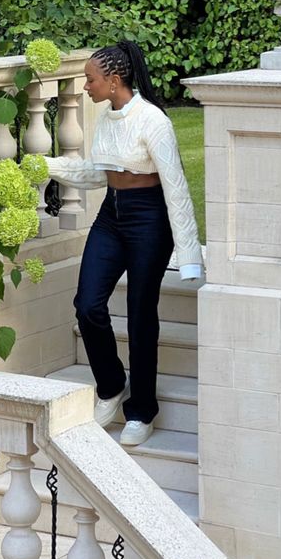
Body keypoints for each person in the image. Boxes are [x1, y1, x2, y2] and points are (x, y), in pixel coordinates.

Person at [45, 41, 203, 446]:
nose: (84, 87)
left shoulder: (153, 121)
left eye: (90, 79)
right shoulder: (108, 118)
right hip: (111, 217)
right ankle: (111, 386)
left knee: (139, 315)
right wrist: (46, 166)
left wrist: (189, 256)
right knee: (88, 305)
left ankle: (142, 410)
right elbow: (99, 174)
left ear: (113, 80)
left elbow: (177, 188)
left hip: (149, 218)